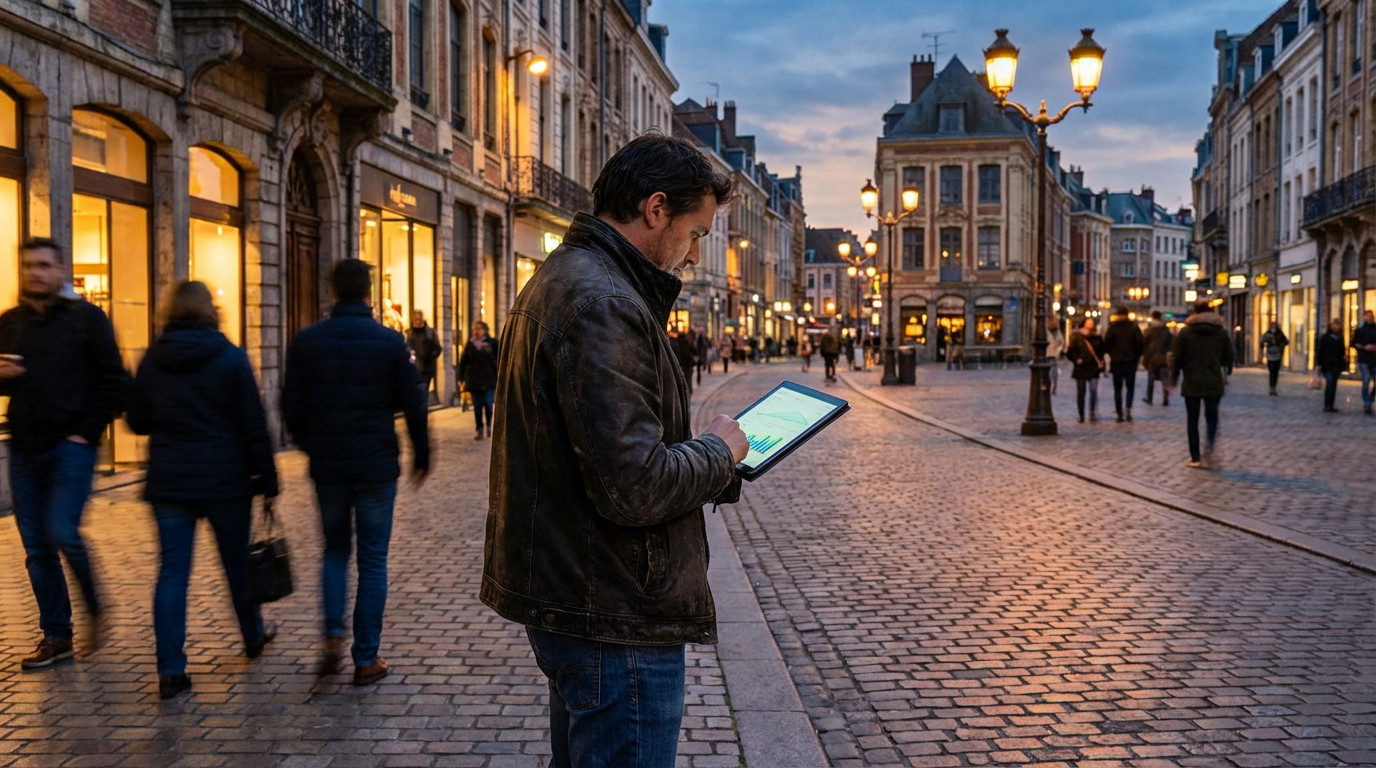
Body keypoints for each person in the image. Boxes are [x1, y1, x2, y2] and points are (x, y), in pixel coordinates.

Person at [482, 133, 748, 768]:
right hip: (615, 606)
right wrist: (719, 451)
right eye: (696, 232)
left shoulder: (574, 277)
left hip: (583, 592)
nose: (692, 254)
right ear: (656, 210)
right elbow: (635, 483)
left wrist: (712, 459)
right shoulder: (603, 300)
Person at [126, 281, 279, 699]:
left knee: (172, 573)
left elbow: (137, 422)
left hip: (170, 482)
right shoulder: (229, 357)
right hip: (226, 482)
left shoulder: (154, 359)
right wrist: (268, 481)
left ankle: (170, 670)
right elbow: (254, 425)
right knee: (236, 567)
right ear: (210, 310)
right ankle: (252, 637)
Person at [281, 258, 431, 686]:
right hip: (375, 465)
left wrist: (312, 444)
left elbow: (291, 405)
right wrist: (422, 455)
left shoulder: (307, 341)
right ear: (368, 294)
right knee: (372, 560)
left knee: (333, 551)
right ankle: (365, 658)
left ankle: (331, 634)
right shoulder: (388, 342)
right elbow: (414, 402)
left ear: (333, 292)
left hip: (328, 465)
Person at [0, 238, 127, 668]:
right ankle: (57, 635)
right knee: (36, 547)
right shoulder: (11, 322)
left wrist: (85, 433)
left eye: (43, 265)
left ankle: (96, 607)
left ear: (60, 270)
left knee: (63, 531)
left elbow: (115, 383)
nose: (35, 272)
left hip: (71, 446)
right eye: (28, 266)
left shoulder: (87, 320)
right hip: (24, 449)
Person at [1170, 299, 1234, 468]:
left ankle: (1195, 457)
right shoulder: (1220, 332)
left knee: (1192, 420)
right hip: (1213, 380)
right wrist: (1226, 369)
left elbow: (1177, 358)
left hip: (1191, 381)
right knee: (1211, 417)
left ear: (1194, 312)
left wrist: (1174, 378)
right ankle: (1210, 447)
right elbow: (1230, 355)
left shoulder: (1185, 333)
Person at [1103, 306, 1145, 422]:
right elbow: (1140, 344)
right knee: (1130, 387)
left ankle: (1119, 412)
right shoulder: (1134, 328)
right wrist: (1136, 357)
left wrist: (1111, 355)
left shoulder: (1113, 328)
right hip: (1130, 361)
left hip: (1117, 361)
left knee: (1118, 388)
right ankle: (1128, 409)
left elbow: (1107, 344)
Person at [458, 320, 499, 439]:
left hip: (488, 379)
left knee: (488, 404)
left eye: (479, 329)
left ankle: (489, 426)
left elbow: (498, 358)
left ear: (485, 331)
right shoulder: (470, 344)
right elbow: (464, 362)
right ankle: (479, 429)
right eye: (475, 329)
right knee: (477, 407)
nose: (476, 331)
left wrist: (489, 350)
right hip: (474, 380)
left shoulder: (492, 343)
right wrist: (461, 377)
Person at [1067, 317, 1106, 423]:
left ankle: (1092, 411)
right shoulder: (1076, 337)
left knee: (1093, 391)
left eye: (1092, 322)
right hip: (1081, 367)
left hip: (1093, 367)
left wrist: (1101, 360)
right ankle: (1081, 414)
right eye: (1088, 322)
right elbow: (1070, 351)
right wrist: (1076, 359)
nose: (1090, 324)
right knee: (1081, 392)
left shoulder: (1097, 337)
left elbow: (1102, 350)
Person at [406, 310, 442, 403]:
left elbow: (437, 348)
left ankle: (422, 412)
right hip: (414, 368)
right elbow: (407, 348)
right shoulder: (409, 333)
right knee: (415, 392)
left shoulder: (430, 332)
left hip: (427, 367)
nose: (418, 321)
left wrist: (431, 356)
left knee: (423, 392)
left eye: (419, 319)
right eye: (416, 319)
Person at [1141, 310, 1173, 405]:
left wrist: (1145, 358)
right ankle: (1165, 397)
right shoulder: (1165, 330)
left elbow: (1144, 345)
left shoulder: (1149, 330)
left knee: (1151, 379)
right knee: (1164, 379)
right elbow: (1170, 344)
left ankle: (1149, 398)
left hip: (1152, 357)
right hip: (1163, 357)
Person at [1315, 318, 1347, 413]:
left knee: (1334, 385)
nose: (1336, 326)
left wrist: (1343, 363)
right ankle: (1327, 405)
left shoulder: (1340, 337)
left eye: (1338, 324)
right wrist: (1318, 364)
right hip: (1327, 364)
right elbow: (1320, 351)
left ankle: (1331, 405)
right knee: (1330, 383)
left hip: (1336, 365)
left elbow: (1342, 351)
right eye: (1334, 324)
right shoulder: (1325, 337)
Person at [1351, 309, 1375, 415]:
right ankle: (1367, 403)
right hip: (1364, 359)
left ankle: (1370, 399)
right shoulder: (1360, 330)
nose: (1369, 317)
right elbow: (1354, 343)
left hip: (1375, 359)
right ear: (1364, 317)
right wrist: (1363, 347)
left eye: (1371, 315)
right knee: (1366, 381)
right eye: (1367, 316)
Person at [1260, 320, 1289, 396]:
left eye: (1275, 326)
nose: (1273, 327)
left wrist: (1280, 345)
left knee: (1275, 372)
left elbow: (1286, 341)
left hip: (1277, 354)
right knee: (1271, 371)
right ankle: (1271, 387)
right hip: (1270, 354)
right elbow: (1262, 342)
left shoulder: (1279, 334)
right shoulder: (1267, 334)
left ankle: (1274, 387)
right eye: (1272, 326)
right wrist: (1263, 350)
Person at [1044, 318, 1066, 395]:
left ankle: (1054, 387)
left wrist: (1058, 350)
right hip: (1046, 355)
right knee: (1048, 373)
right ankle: (1047, 386)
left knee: (1054, 373)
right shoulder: (1045, 332)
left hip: (1054, 355)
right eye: (1051, 322)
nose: (1053, 324)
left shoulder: (1058, 332)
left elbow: (1062, 343)